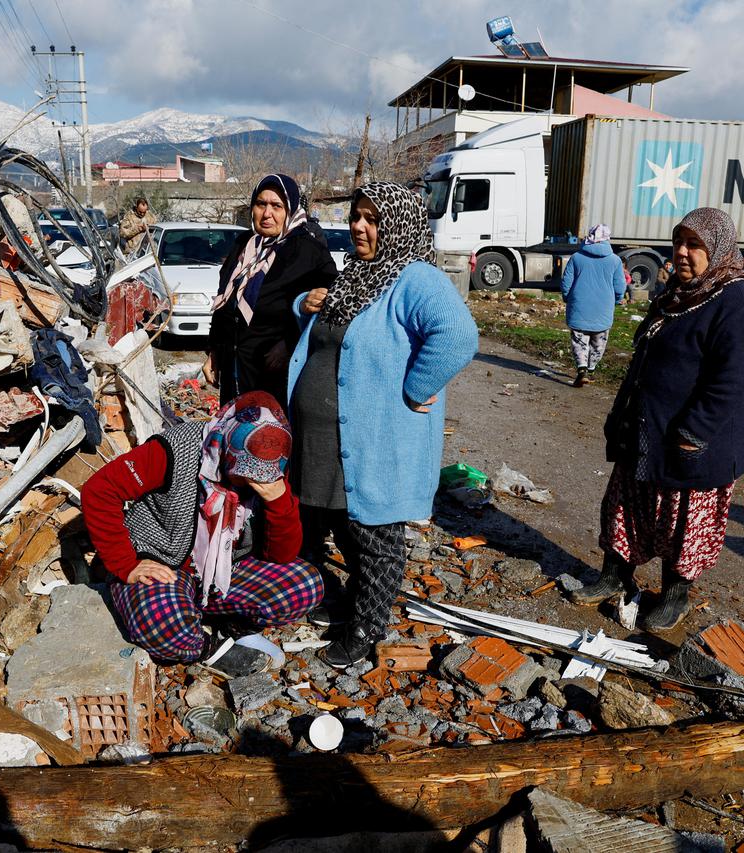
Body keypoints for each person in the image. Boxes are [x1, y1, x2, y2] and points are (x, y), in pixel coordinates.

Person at [287, 182, 478, 667]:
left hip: (374, 438)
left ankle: (368, 627)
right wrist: (301, 307)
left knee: (374, 535)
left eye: (372, 218)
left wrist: (417, 388)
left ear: (398, 224)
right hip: (328, 436)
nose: (358, 226)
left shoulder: (415, 278)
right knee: (339, 524)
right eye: (356, 216)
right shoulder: (359, 273)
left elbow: (457, 336)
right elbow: (331, 331)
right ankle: (350, 603)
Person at [569, 207, 744, 632]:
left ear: (717, 249)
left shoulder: (736, 300)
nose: (681, 252)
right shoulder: (677, 294)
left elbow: (737, 377)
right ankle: (612, 576)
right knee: (625, 506)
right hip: (646, 429)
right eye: (678, 242)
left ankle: (674, 596)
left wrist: (695, 430)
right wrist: (620, 411)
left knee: (683, 524)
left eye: (694, 244)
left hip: (692, 439)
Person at [80, 391, 322, 676]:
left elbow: (280, 556)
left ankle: (235, 625)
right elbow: (100, 491)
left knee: (305, 586)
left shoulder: (274, 457)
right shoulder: (177, 449)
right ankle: (209, 648)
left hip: (227, 568)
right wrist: (126, 564)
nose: (251, 482)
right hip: (163, 563)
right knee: (162, 624)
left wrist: (279, 501)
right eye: (244, 473)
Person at [207, 174, 336, 405]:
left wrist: (290, 342)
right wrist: (214, 351)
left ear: (290, 210)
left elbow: (328, 307)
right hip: (235, 365)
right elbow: (224, 301)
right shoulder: (243, 245)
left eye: (277, 206)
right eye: (260, 204)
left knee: (269, 437)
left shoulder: (308, 252)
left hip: (274, 372)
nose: (267, 214)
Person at [560, 224, 626, 387]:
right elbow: (620, 286)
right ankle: (591, 369)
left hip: (579, 307)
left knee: (580, 341)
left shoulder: (576, 257)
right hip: (603, 309)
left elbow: (566, 282)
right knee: (598, 342)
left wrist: (568, 298)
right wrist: (617, 300)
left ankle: (581, 370)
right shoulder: (615, 260)